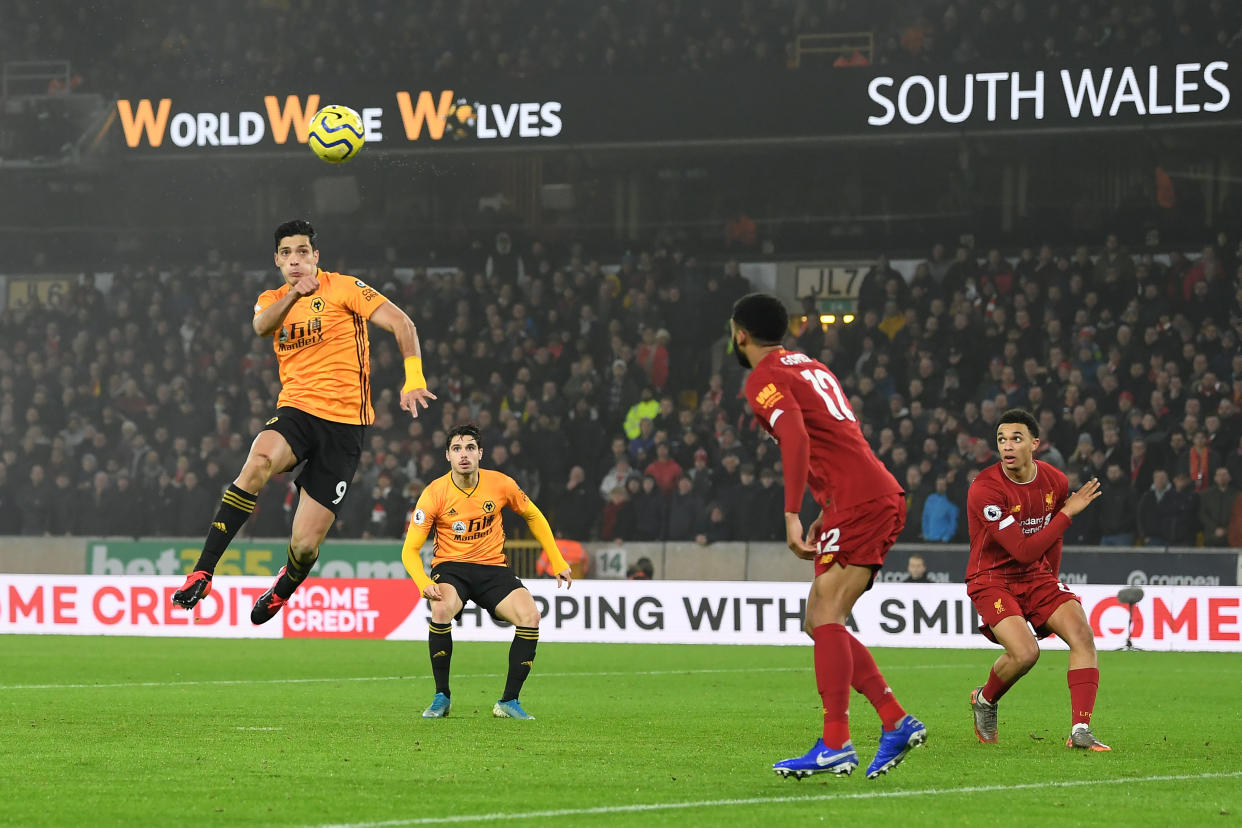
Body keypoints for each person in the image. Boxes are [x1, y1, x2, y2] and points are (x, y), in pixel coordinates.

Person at [171, 219, 435, 621]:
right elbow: (261, 326)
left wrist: (413, 377)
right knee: (257, 463)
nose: (295, 260)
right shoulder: (273, 298)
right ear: (277, 260)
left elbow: (403, 323)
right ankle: (203, 571)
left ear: (316, 257)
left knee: (305, 545)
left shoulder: (344, 287)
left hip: (345, 427)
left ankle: (285, 586)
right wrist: (294, 294)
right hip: (297, 411)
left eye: (302, 252)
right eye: (287, 253)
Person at [730, 293, 925, 780]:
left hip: (862, 500)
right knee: (819, 621)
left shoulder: (763, 377)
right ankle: (893, 720)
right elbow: (838, 439)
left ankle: (836, 741)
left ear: (740, 334)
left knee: (827, 614)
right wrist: (826, 506)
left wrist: (793, 513)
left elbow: (796, 436)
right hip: (860, 496)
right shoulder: (809, 365)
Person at [399, 424, 572, 721]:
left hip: (493, 569)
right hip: (452, 568)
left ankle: (508, 701)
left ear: (480, 453)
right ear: (448, 456)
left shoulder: (501, 484)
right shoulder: (434, 494)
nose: (463, 454)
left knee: (530, 616)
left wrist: (557, 560)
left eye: (469, 448)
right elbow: (409, 550)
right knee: (440, 608)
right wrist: (422, 582)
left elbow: (533, 514)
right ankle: (442, 697)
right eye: (457, 448)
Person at [966, 408, 1109, 752]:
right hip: (992, 578)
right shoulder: (985, 489)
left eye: (1016, 438)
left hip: (1036, 575)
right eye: (1001, 439)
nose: (1007, 446)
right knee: (1026, 653)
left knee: (1082, 635)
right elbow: (1023, 549)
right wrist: (1067, 513)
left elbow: (1051, 540)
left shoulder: (1055, 480)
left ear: (1035, 443)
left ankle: (1080, 730)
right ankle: (985, 700)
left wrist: (1052, 579)